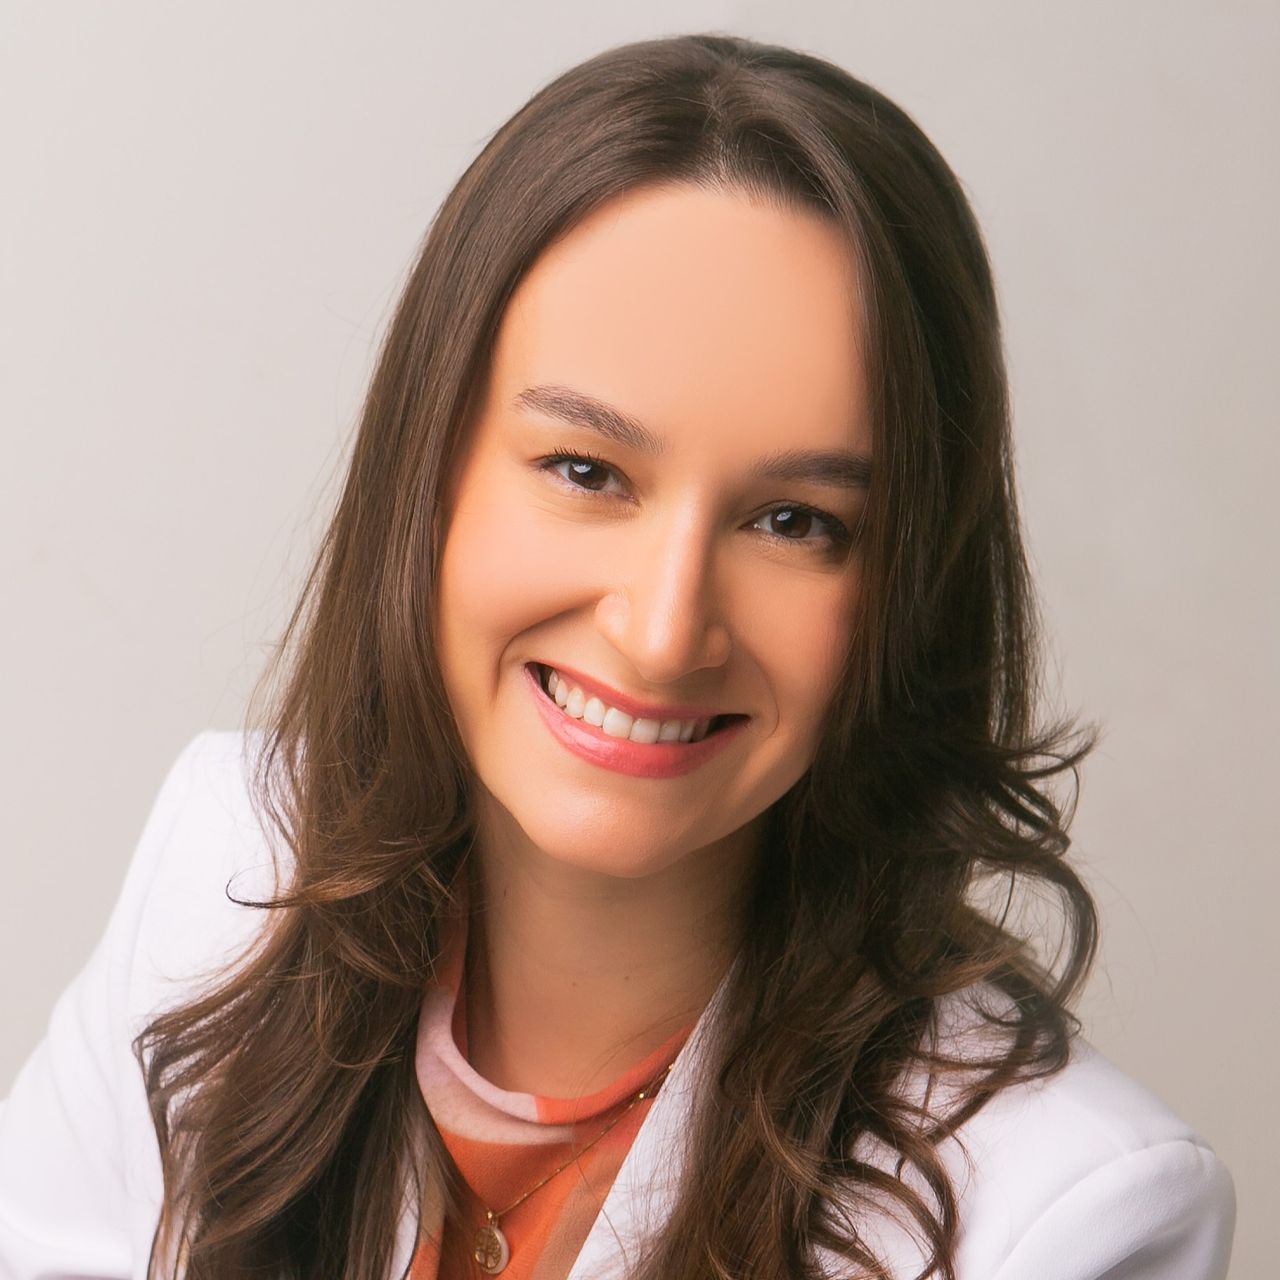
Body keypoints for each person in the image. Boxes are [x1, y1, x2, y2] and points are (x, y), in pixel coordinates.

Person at [0, 31, 1235, 1280]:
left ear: (907, 593)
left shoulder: (1063, 1214)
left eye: (793, 521)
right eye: (585, 470)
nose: (660, 630)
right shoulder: (214, 872)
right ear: (429, 475)